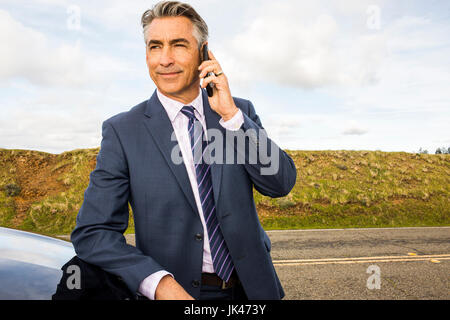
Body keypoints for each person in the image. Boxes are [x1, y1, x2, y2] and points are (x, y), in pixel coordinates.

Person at [71, 1, 297, 300]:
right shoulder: (123, 131)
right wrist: (159, 283)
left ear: (203, 52)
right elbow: (93, 232)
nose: (164, 60)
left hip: (253, 290)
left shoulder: (238, 112)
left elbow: (279, 183)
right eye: (155, 46)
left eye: (178, 45)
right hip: (179, 294)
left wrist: (231, 116)